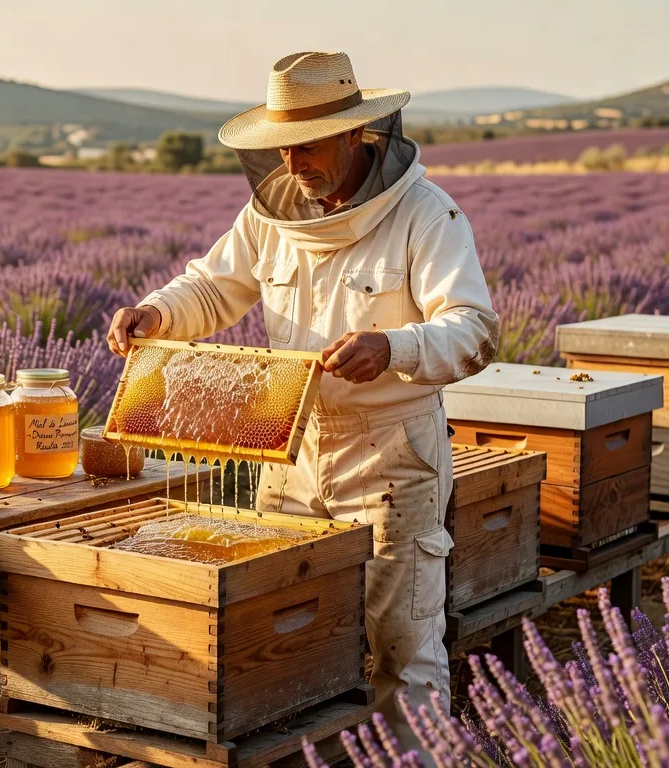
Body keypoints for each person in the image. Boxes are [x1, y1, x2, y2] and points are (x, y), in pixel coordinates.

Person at [106, 51, 499, 755]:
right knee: (284, 627)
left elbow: (474, 330)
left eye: (308, 145)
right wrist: (158, 313)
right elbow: (214, 286)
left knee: (400, 645)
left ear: (356, 134)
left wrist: (396, 348)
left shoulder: (426, 214)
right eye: (281, 147)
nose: (292, 163)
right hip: (286, 448)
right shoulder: (272, 215)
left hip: (390, 453)